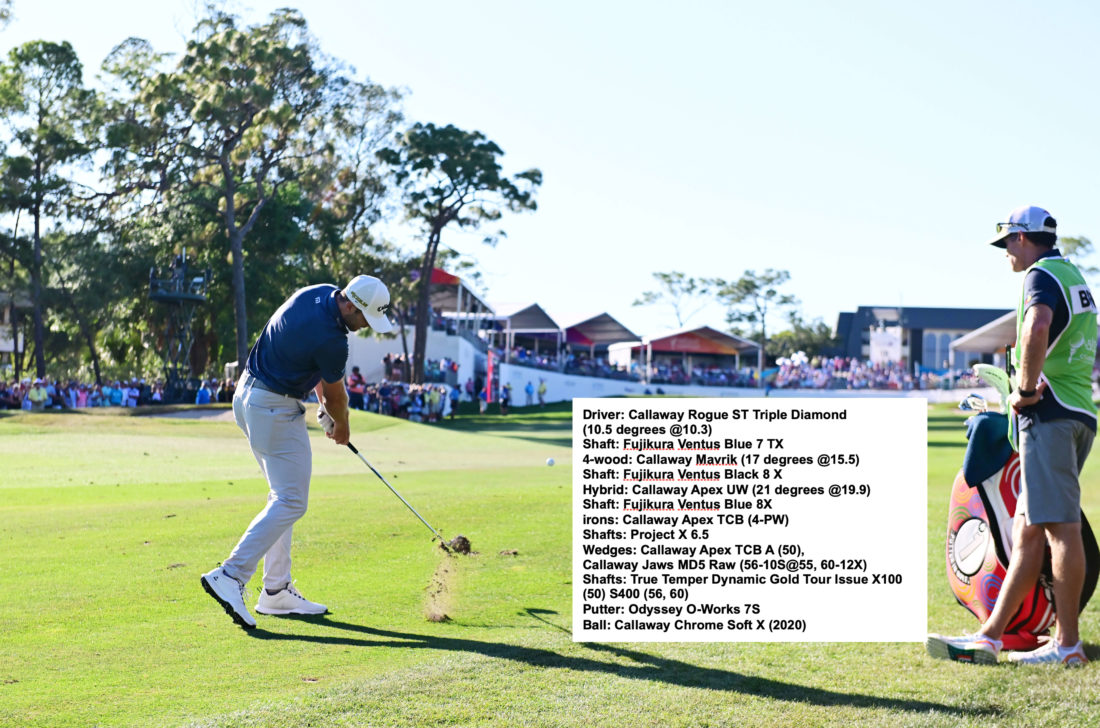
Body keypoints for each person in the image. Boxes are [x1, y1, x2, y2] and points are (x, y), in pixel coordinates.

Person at [927, 206, 1096, 667]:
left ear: (1022, 238)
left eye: (1006, 244)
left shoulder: (1039, 275)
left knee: (1060, 530)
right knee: (1027, 532)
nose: (1005, 254)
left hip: (1051, 413)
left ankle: (1067, 646)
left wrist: (1023, 390)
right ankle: (991, 637)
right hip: (1075, 411)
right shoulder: (1072, 274)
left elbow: (1036, 326)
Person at [201, 274, 394, 629]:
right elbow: (338, 397)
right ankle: (231, 575)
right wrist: (341, 428)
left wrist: (323, 408)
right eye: (365, 317)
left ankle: (275, 592)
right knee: (291, 501)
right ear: (350, 305)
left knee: (282, 499)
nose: (366, 325)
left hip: (248, 397)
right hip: (272, 406)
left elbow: (318, 372)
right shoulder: (334, 339)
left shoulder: (317, 294)